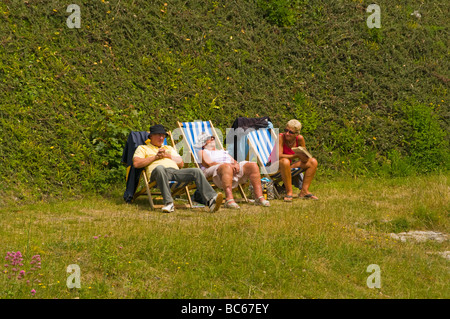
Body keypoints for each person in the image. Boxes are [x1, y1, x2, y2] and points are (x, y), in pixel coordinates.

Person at [133, 124, 223, 213]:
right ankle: (168, 203)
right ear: (151, 136)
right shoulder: (142, 148)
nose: (161, 138)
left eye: (163, 136)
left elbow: (181, 163)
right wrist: (155, 157)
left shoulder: (169, 148)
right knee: (160, 168)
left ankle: (211, 200)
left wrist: (167, 155)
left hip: (175, 172)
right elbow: (136, 164)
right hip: (157, 173)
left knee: (196, 171)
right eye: (159, 135)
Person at [195, 132, 270, 209]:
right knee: (226, 167)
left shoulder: (221, 151)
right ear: (203, 144)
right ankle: (229, 199)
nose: (212, 139)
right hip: (213, 170)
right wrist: (229, 165)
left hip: (229, 167)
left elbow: (233, 161)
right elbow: (208, 164)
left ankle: (259, 198)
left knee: (252, 165)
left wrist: (236, 164)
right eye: (209, 138)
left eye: (212, 137)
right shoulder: (202, 152)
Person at [267, 119, 318, 201]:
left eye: (290, 132)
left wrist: (304, 157)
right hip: (273, 167)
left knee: (313, 162)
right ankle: (289, 192)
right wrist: (295, 156)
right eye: (286, 130)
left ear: (296, 134)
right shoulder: (281, 137)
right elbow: (279, 156)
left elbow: (304, 159)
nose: (287, 133)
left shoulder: (300, 139)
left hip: (286, 166)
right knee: (285, 161)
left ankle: (304, 191)